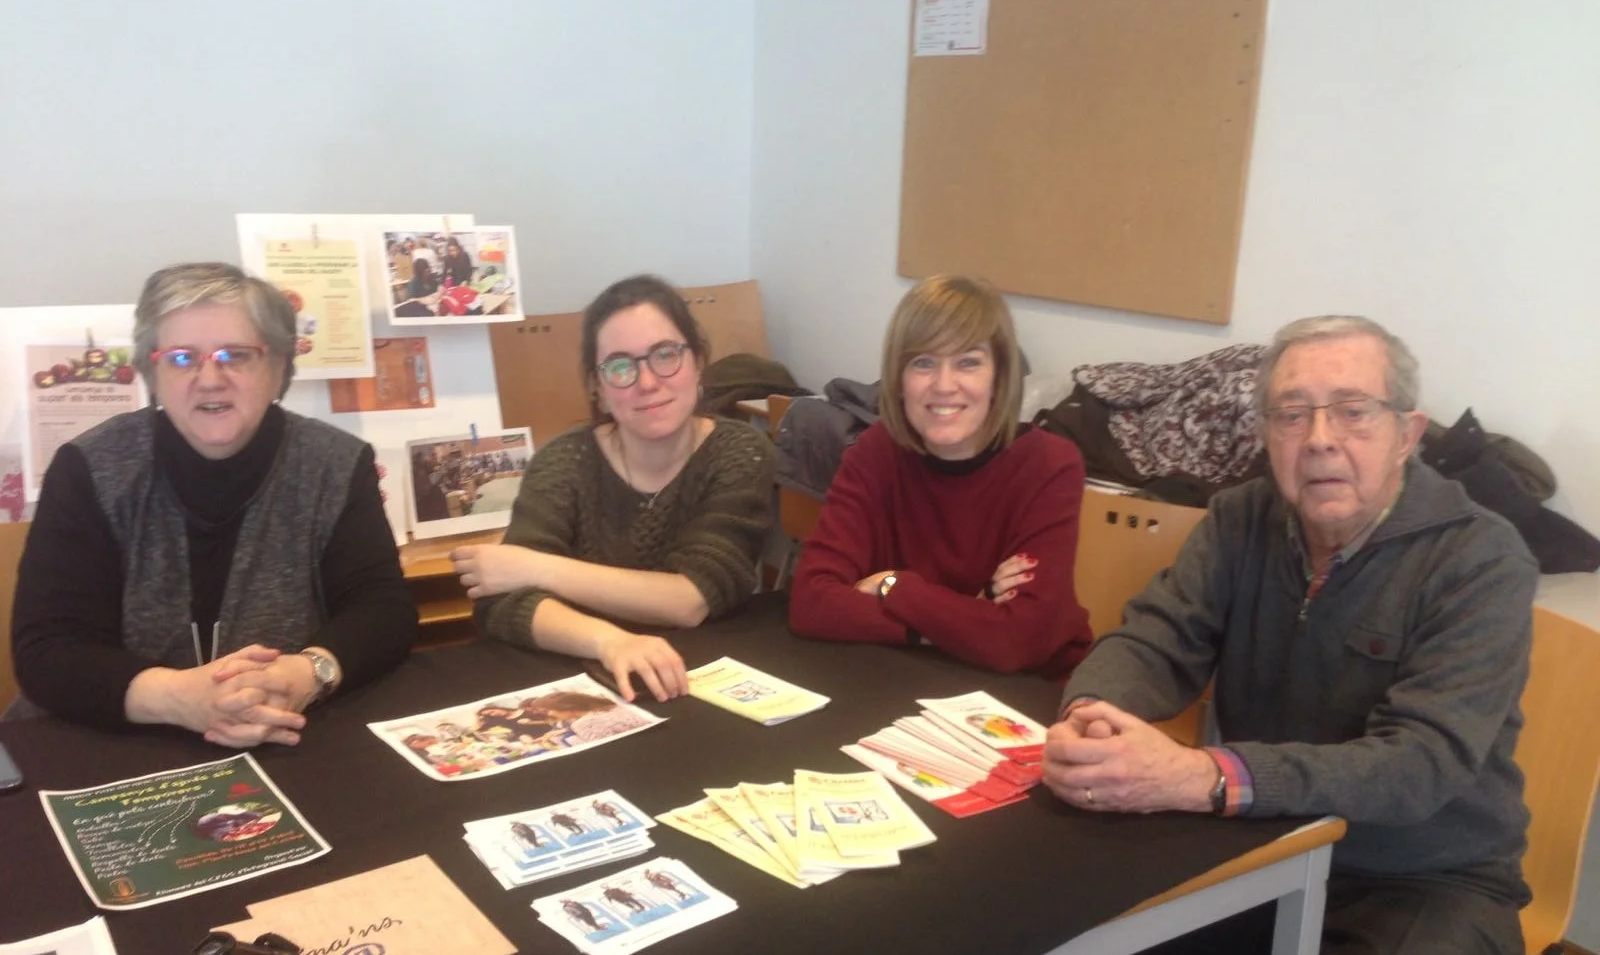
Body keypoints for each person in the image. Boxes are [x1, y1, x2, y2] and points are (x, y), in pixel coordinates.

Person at [1044, 316, 1538, 955]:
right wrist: (1094, 714)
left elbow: (1419, 766)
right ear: (1266, 432)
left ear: (1407, 432)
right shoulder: (1240, 520)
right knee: (1105, 950)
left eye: (1353, 410)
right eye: (1291, 413)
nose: (1319, 439)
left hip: (1427, 873)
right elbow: (1157, 637)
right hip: (1264, 839)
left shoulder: (1481, 561)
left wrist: (1209, 778)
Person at [11, 262, 416, 747]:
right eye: (181, 358)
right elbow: (48, 650)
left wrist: (305, 674)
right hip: (111, 745)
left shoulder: (336, 464)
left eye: (236, 355)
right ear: (151, 372)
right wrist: (178, 696)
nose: (209, 378)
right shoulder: (88, 469)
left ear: (279, 368)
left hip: (282, 735)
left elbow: (383, 610)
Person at [450, 274, 774, 701]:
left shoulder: (740, 451)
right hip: (585, 683)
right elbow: (504, 603)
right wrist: (609, 642)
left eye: (665, 355)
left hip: (707, 684)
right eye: (620, 366)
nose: (646, 381)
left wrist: (536, 568)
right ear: (598, 389)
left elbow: (692, 597)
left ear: (698, 363)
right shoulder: (565, 461)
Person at [788, 274, 1092, 679]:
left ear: (998, 378)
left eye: (968, 362)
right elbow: (811, 602)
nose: (944, 385)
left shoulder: (1049, 465)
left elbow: (1016, 642)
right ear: (898, 380)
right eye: (924, 363)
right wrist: (966, 621)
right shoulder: (878, 451)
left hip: (1030, 691)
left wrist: (894, 587)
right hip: (908, 674)